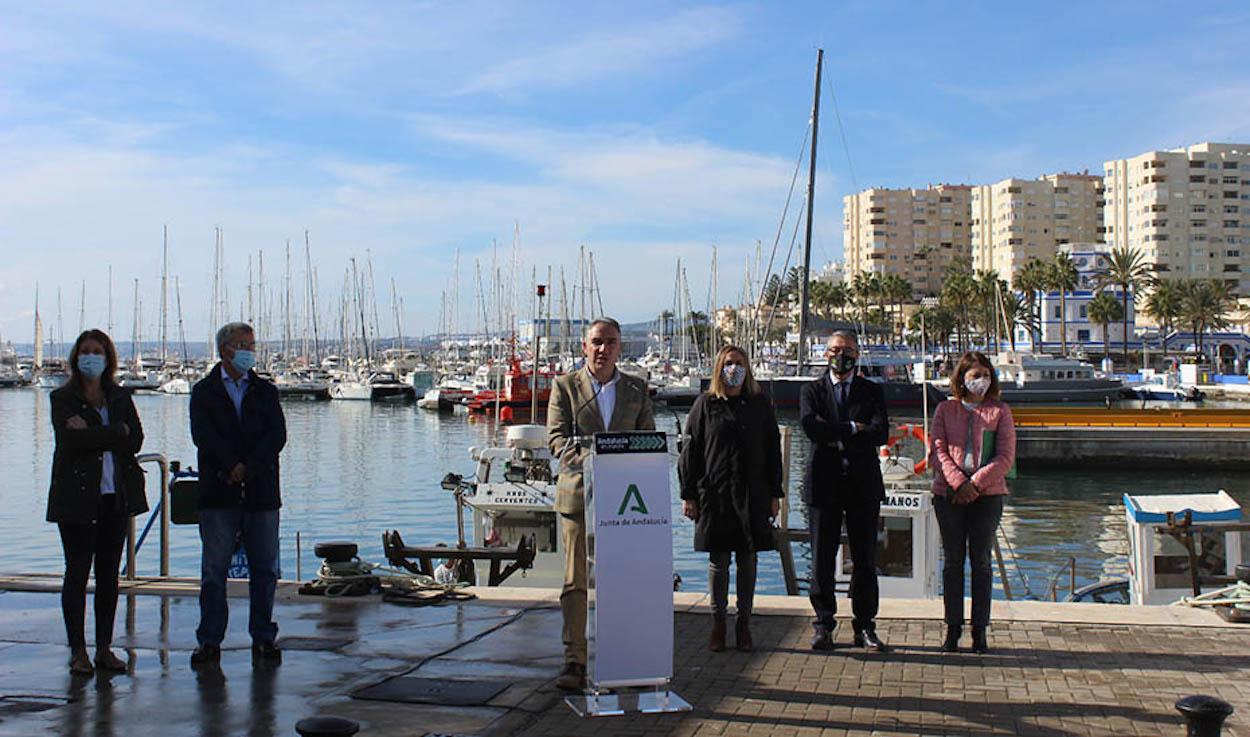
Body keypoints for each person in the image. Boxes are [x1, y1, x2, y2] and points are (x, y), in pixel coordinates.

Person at [546, 318, 654, 691]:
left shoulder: (637, 390)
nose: (603, 348)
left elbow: (648, 442)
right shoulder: (564, 388)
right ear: (584, 347)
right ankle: (574, 660)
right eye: (596, 342)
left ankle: (622, 655)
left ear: (620, 347)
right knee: (577, 582)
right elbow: (557, 442)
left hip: (623, 504)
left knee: (622, 582)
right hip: (578, 500)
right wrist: (599, 455)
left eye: (610, 342)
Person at [47, 329, 147, 676]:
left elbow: (134, 438)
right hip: (76, 498)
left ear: (108, 358)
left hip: (113, 496)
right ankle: (78, 650)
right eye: (86, 351)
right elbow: (70, 441)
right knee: (77, 572)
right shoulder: (62, 398)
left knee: (109, 574)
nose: (92, 357)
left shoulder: (119, 396)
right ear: (77, 357)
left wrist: (98, 433)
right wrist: (112, 433)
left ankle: (104, 647)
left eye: (98, 351)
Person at [189, 322, 287, 668]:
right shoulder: (203, 392)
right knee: (214, 571)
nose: (249, 350)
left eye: (251, 343)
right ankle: (210, 641)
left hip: (261, 492)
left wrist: (250, 467)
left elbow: (276, 437)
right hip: (219, 492)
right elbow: (204, 436)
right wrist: (230, 465)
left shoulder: (266, 391)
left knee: (265, 570)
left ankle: (263, 637)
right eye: (242, 344)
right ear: (224, 349)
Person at [679, 345, 783, 653]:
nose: (733, 368)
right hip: (715, 494)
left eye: (738, 363)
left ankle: (744, 624)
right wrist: (688, 494)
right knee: (719, 562)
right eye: (728, 364)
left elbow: (772, 451)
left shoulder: (760, 405)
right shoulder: (706, 405)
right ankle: (718, 622)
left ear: (747, 368)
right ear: (718, 369)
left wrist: (776, 493)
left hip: (753, 493)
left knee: (748, 561)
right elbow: (690, 453)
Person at [799, 331, 889, 652]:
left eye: (848, 350)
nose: (842, 355)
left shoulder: (871, 391)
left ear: (857, 355)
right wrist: (853, 428)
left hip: (863, 485)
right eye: (836, 350)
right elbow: (811, 427)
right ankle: (823, 624)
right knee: (822, 558)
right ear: (826, 354)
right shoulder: (812, 391)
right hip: (824, 485)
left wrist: (833, 431)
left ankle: (865, 625)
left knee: (864, 560)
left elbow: (880, 432)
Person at [928, 351, 1015, 654]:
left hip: (987, 496)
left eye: (985, 375)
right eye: (974, 375)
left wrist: (975, 484)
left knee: (981, 562)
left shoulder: (1000, 412)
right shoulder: (944, 410)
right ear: (961, 379)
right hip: (948, 494)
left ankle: (980, 631)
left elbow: (1005, 457)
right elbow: (937, 450)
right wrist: (958, 483)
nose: (981, 381)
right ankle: (953, 629)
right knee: (953, 562)